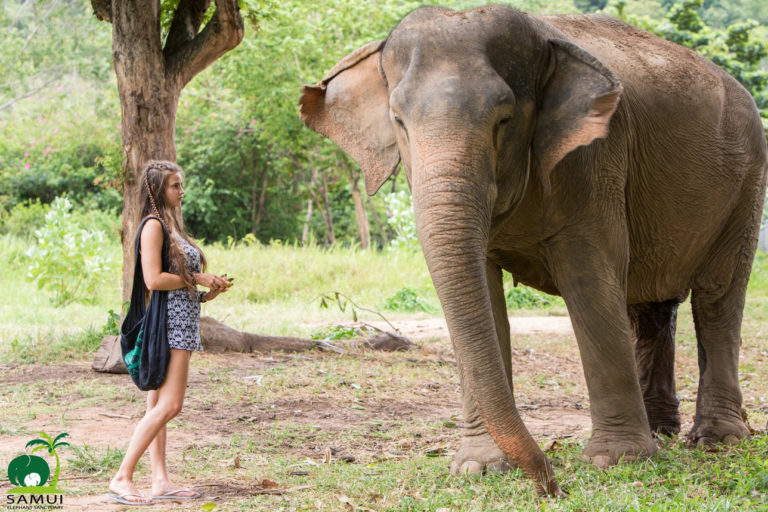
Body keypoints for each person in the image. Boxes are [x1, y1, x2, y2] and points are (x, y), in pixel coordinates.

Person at [107, 160, 230, 505]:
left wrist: (208, 291)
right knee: (171, 405)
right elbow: (154, 280)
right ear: (159, 189)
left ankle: (160, 480)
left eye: (180, 184)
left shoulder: (171, 227)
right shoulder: (152, 226)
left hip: (183, 321)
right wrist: (199, 278)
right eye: (175, 185)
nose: (181, 190)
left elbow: (179, 286)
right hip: (169, 326)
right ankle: (122, 476)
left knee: (159, 405)